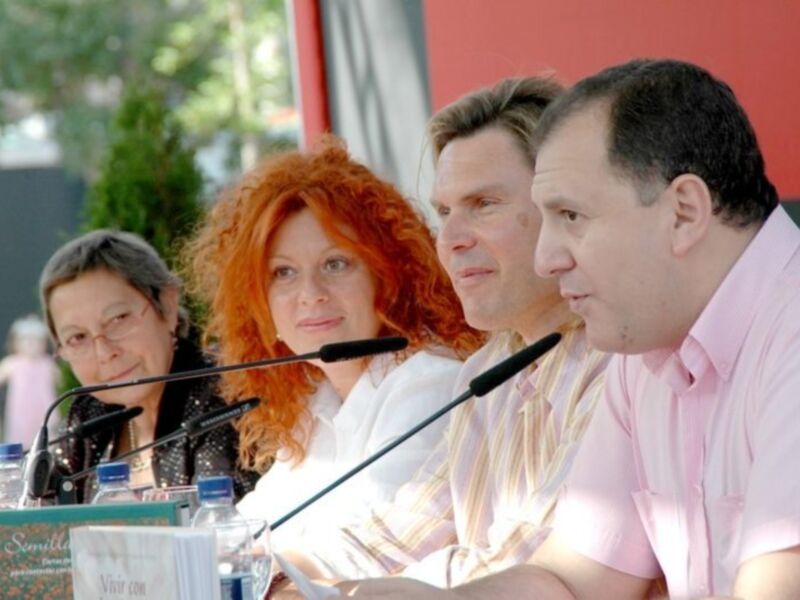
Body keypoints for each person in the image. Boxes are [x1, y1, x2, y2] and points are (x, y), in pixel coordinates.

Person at [370, 59, 800, 599]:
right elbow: (571, 580)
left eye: (570, 215)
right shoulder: (641, 358)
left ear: (685, 211)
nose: (547, 259)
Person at [273, 77, 610, 593]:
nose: (450, 240)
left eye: (484, 204)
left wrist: (345, 591)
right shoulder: (484, 372)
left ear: (563, 206)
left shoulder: (616, 362)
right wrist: (265, 566)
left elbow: (533, 569)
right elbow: (397, 537)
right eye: (446, 212)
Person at [186, 137, 483, 545]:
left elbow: (371, 545)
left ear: (389, 277)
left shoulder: (429, 381)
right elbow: (237, 534)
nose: (311, 293)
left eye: (335, 264)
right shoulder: (317, 402)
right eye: (284, 273)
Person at [40, 229, 259, 503]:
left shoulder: (224, 397)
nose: (104, 352)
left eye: (118, 319)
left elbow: (219, 525)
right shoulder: (88, 417)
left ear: (167, 306)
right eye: (78, 337)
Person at [0, 315, 59, 448]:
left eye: (36, 340)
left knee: (47, 437)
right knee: (20, 437)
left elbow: (60, 383)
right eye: (26, 340)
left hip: (44, 407)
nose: (31, 344)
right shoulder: (12, 363)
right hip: (20, 410)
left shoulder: (47, 363)